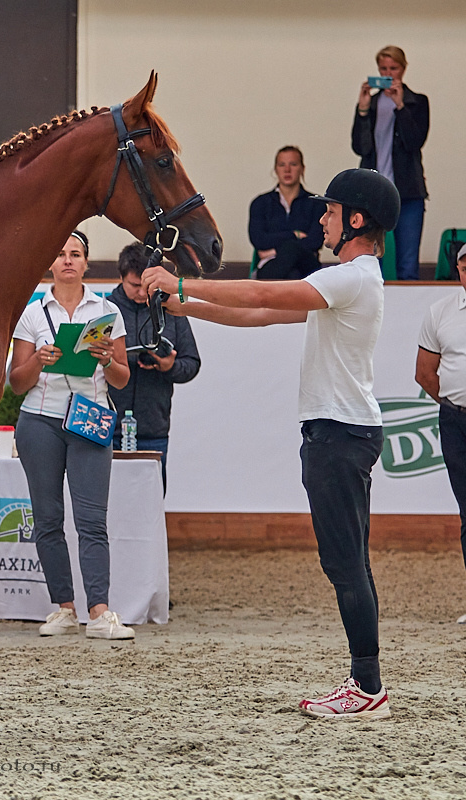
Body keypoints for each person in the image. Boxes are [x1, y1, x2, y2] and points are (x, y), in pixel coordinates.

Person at [143, 168, 400, 721]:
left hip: (339, 432)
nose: (322, 218)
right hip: (339, 431)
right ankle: (365, 680)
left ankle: (367, 685)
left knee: (345, 564)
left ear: (356, 220)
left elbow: (262, 288)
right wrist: (192, 309)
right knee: (348, 562)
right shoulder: (349, 280)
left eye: (330, 211)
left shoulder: (351, 277)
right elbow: (262, 312)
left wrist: (181, 284)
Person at [8, 231, 135, 640]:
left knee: (92, 520)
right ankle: (63, 608)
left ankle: (99, 611)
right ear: (50, 262)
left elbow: (121, 378)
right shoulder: (32, 313)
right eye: (60, 254)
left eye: (75, 254)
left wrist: (107, 359)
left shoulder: (107, 310)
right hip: (40, 420)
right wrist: (40, 363)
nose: (67, 260)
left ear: (86, 263)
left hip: (91, 419)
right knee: (47, 519)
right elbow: (16, 381)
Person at [107, 242, 201, 493]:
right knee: (104, 503)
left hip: (154, 428)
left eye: (145, 286)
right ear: (120, 278)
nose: (140, 293)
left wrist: (169, 366)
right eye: (133, 286)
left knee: (149, 502)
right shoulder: (104, 312)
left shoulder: (171, 310)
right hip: (106, 427)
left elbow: (191, 364)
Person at [416, 243, 466, 623]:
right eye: (465, 264)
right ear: (459, 269)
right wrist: (452, 404)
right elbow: (425, 374)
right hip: (456, 421)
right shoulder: (440, 312)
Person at [352, 45, 429, 281]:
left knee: (407, 263)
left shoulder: (417, 102)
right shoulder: (371, 104)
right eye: (383, 68)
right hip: (374, 192)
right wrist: (363, 110)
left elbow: (415, 142)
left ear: (403, 69)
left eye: (393, 68)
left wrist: (401, 107)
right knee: (372, 259)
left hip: (408, 190)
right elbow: (359, 147)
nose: (388, 74)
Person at [248, 146, 326, 280]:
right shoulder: (260, 203)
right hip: (271, 265)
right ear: (275, 169)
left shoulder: (316, 204)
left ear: (302, 168)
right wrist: (294, 234)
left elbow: (316, 241)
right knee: (292, 274)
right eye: (282, 164)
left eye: (293, 164)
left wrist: (275, 250)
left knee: (292, 251)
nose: (287, 170)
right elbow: (258, 240)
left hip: (307, 265)